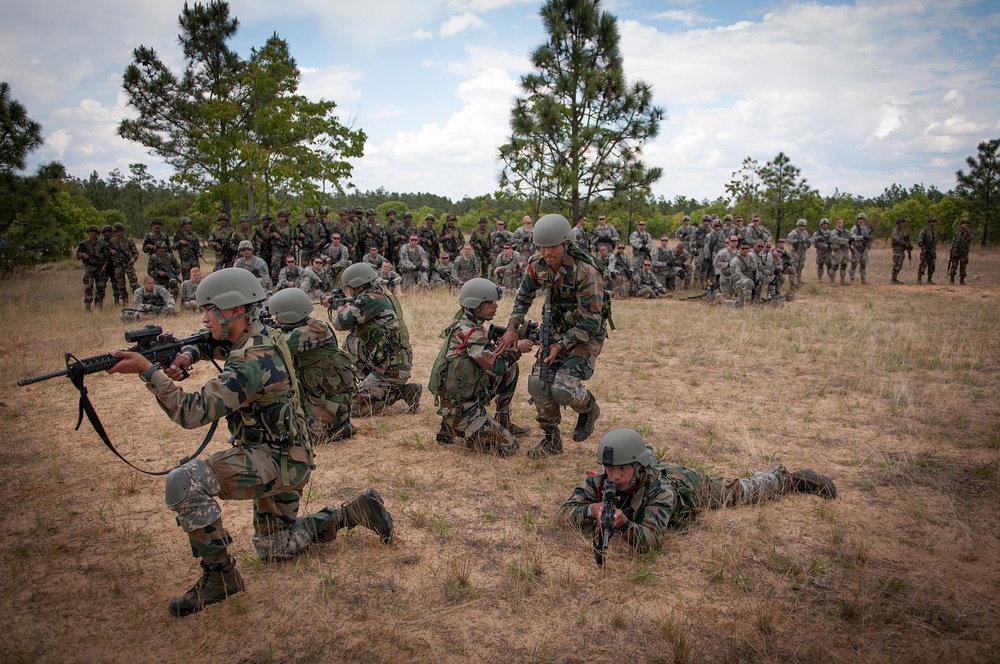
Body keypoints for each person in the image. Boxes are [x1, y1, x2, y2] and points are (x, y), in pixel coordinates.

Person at [107, 268, 393, 616]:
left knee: (184, 481)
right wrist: (188, 355)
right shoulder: (264, 335)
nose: (204, 317)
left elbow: (190, 413)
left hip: (275, 460)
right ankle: (355, 512)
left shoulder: (251, 360)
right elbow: (211, 341)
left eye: (208, 310)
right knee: (275, 547)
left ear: (232, 311)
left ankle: (219, 578)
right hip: (290, 454)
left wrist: (148, 372)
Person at [559, 429, 836, 555]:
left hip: (690, 487)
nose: (614, 476)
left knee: (740, 492)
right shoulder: (600, 483)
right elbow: (563, 514)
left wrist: (625, 525)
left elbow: (652, 540)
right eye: (609, 469)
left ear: (637, 466)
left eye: (622, 469)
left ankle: (788, 479)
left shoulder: (660, 491)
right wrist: (589, 510)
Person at [495, 214, 608, 459]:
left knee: (563, 388)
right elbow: (523, 296)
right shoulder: (537, 264)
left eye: (553, 246)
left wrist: (561, 344)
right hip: (555, 331)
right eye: (543, 247)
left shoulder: (585, 272)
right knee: (538, 382)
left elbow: (592, 320)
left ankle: (589, 409)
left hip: (585, 335)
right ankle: (551, 438)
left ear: (566, 244)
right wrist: (513, 327)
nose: (547, 252)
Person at [432, 278, 533, 456]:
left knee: (511, 369)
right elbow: (495, 366)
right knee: (509, 447)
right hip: (461, 405)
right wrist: (517, 350)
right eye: (490, 302)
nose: (495, 306)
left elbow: (488, 358)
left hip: (463, 397)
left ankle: (501, 419)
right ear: (475, 304)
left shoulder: (467, 324)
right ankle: (458, 426)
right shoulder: (472, 332)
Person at [330, 262, 422, 416]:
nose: (349, 292)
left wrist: (339, 306)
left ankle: (400, 392)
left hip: (392, 367)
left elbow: (339, 323)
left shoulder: (369, 300)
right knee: (351, 340)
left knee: (354, 408)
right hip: (390, 361)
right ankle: (379, 385)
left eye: (350, 288)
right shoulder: (381, 295)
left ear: (357, 286)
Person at [267, 287, 357, 442]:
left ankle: (340, 430)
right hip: (314, 398)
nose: (276, 320)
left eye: (278, 316)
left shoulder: (315, 330)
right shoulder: (300, 329)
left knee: (296, 437)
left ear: (291, 314)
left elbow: (277, 346)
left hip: (332, 404)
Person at [76, 225, 109, 311]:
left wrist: (104, 265)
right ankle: (88, 307)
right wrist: (82, 254)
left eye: (94, 233)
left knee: (101, 287)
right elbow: (78, 254)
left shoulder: (101, 244)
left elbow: (107, 257)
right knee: (88, 287)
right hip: (89, 269)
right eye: (90, 233)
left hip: (100, 269)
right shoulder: (83, 244)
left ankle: (99, 305)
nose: (92, 235)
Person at [108, 222, 140, 305]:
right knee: (120, 284)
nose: (119, 233)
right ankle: (125, 301)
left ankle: (138, 299)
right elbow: (106, 250)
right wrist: (111, 251)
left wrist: (133, 260)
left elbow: (136, 253)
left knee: (134, 283)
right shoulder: (112, 241)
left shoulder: (129, 241)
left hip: (128, 264)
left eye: (120, 231)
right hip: (118, 265)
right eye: (117, 232)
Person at [948, 217, 974, 284]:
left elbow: (972, 238)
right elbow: (953, 241)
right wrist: (952, 249)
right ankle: (952, 279)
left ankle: (962, 280)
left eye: (966, 224)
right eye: (964, 223)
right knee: (954, 265)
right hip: (956, 251)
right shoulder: (957, 231)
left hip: (964, 252)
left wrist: (967, 232)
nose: (965, 225)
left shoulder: (969, 232)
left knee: (963, 266)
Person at [849, 213, 872, 284]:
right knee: (854, 263)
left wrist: (868, 245)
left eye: (861, 219)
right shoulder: (855, 228)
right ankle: (852, 279)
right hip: (856, 247)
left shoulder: (868, 229)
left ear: (864, 220)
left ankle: (863, 279)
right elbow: (852, 236)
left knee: (863, 263)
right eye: (859, 219)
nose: (860, 220)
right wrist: (861, 237)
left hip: (864, 248)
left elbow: (870, 239)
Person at [830, 218, 853, 285]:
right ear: (836, 223)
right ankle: (832, 281)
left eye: (841, 222)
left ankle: (842, 280)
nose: (840, 224)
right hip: (838, 250)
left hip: (845, 250)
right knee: (835, 265)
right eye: (839, 222)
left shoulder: (845, 231)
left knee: (844, 265)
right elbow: (835, 239)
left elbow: (851, 236)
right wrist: (846, 241)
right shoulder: (834, 232)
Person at [890, 217, 913, 284]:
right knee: (897, 263)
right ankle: (893, 279)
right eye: (901, 223)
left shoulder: (902, 231)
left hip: (901, 249)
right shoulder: (895, 230)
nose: (902, 224)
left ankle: (895, 278)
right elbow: (895, 238)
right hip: (897, 249)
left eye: (903, 223)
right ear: (898, 223)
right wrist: (904, 242)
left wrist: (908, 246)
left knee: (900, 263)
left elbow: (905, 239)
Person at [917, 217, 938, 284]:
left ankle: (929, 279)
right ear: (929, 222)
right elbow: (919, 240)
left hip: (932, 250)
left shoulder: (935, 231)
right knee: (923, 265)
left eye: (934, 222)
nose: (933, 223)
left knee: (932, 265)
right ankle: (919, 279)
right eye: (932, 222)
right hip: (925, 250)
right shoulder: (924, 230)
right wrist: (923, 247)